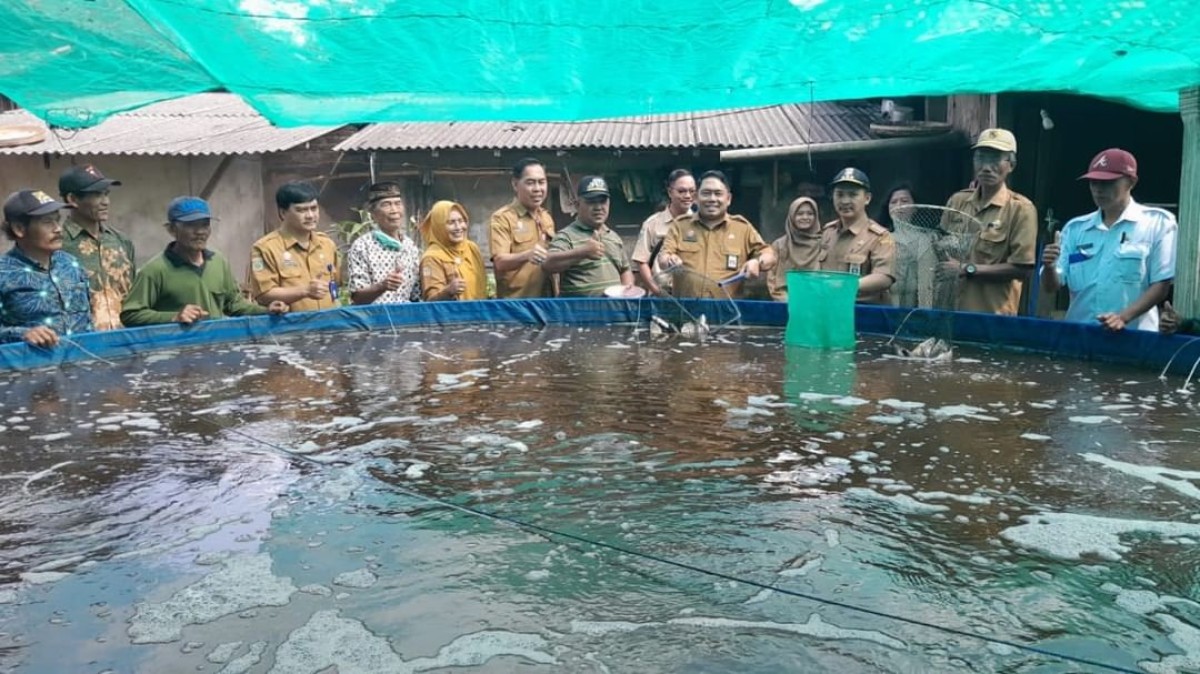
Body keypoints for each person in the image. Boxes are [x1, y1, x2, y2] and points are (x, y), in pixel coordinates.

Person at [1040, 149, 1175, 331]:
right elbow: (1052, 286)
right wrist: (1049, 266)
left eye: (1108, 183)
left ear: (1131, 182)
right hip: (1080, 335)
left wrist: (1123, 318)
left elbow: (1161, 285)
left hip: (1135, 338)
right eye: (1093, 182)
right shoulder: (1075, 229)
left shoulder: (1157, 223)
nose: (1098, 189)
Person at [120, 197, 289, 326]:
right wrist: (174, 316)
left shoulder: (218, 261)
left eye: (205, 225)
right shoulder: (155, 270)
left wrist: (266, 310)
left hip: (214, 349)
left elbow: (234, 304)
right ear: (172, 230)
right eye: (191, 226)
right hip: (175, 356)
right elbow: (131, 314)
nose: (200, 232)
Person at [942, 128, 1038, 315]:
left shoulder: (1020, 209)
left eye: (995, 159)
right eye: (981, 158)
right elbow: (940, 248)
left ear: (1011, 165)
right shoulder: (957, 201)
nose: (986, 167)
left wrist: (968, 269)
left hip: (992, 317)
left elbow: (1022, 268)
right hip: (950, 312)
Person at [658, 170, 775, 299]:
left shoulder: (742, 228)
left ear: (728, 199)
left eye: (718, 194)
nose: (712, 199)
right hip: (687, 311)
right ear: (696, 198)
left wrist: (757, 262)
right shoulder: (680, 226)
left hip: (728, 312)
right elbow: (664, 256)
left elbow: (769, 255)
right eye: (706, 193)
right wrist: (670, 261)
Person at [0, 190, 92, 346]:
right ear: (19, 229)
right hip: (29, 367)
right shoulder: (4, 273)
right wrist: (22, 334)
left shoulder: (71, 264)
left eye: (58, 220)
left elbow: (89, 317)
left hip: (86, 362)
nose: (58, 228)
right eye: (47, 222)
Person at [58, 164, 135, 330]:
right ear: (73, 199)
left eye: (106, 194)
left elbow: (135, 297)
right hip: (82, 344)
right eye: (97, 195)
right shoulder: (58, 245)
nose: (105, 202)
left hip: (127, 340)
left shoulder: (121, 241)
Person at [248, 181, 340, 312]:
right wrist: (305, 291)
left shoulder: (326, 244)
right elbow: (263, 295)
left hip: (330, 324)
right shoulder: (266, 248)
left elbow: (336, 284)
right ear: (283, 213)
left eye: (314, 208)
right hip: (292, 327)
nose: (310, 216)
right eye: (301, 210)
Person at [543, 176, 634, 297]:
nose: (598, 207)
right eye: (591, 202)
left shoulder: (614, 237)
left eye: (602, 201)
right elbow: (547, 264)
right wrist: (583, 252)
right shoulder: (566, 236)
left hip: (614, 312)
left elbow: (625, 269)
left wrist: (627, 291)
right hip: (581, 313)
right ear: (577, 204)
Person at [818, 168, 896, 303]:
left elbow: (884, 277)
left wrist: (846, 286)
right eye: (840, 194)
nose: (845, 201)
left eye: (853, 195)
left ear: (867, 198)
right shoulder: (828, 232)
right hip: (829, 309)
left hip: (864, 314)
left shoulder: (880, 237)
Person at [489, 157, 556, 298]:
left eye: (542, 182)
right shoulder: (502, 218)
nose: (537, 189)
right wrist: (527, 255)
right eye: (530, 183)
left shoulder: (546, 217)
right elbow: (500, 262)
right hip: (517, 305)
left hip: (547, 302)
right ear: (515, 184)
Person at [346, 182, 421, 305]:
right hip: (374, 321)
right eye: (386, 205)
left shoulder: (410, 246)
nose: (394, 210)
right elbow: (357, 297)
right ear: (373, 214)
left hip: (405, 321)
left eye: (398, 203)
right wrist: (382, 286)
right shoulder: (362, 246)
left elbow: (416, 296)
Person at [631, 169, 695, 295]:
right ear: (670, 192)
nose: (688, 196)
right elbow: (641, 261)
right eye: (682, 191)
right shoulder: (652, 223)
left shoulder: (700, 224)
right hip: (661, 295)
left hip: (691, 296)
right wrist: (657, 291)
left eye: (692, 191)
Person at [419, 200, 487, 301]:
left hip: (479, 313)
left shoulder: (472, 248)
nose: (458, 227)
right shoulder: (432, 257)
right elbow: (430, 301)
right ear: (439, 226)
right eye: (451, 222)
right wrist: (448, 291)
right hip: (452, 316)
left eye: (461, 221)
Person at [766, 196, 821, 301]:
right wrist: (788, 302)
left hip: (817, 304)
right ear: (791, 216)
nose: (805, 217)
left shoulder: (823, 244)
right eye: (799, 214)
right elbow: (772, 279)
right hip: (785, 304)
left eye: (810, 213)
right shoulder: (780, 245)